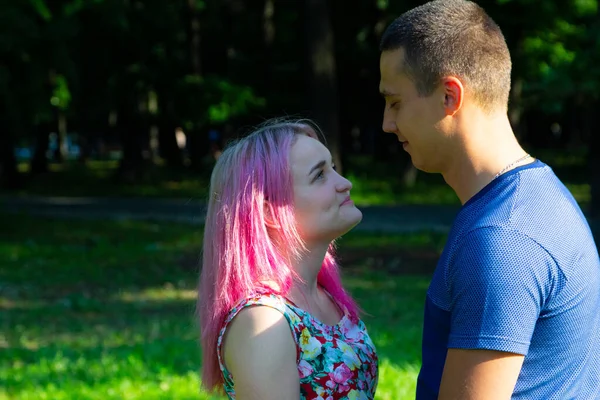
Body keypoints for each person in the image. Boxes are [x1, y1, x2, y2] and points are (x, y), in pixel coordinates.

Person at [379, 1, 600, 399]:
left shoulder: (502, 240)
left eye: (395, 103)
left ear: (450, 96)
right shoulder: (539, 196)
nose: (387, 123)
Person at [197, 119, 379, 400]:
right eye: (319, 175)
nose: (345, 184)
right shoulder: (262, 320)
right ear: (269, 212)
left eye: (333, 168)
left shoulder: (321, 296)